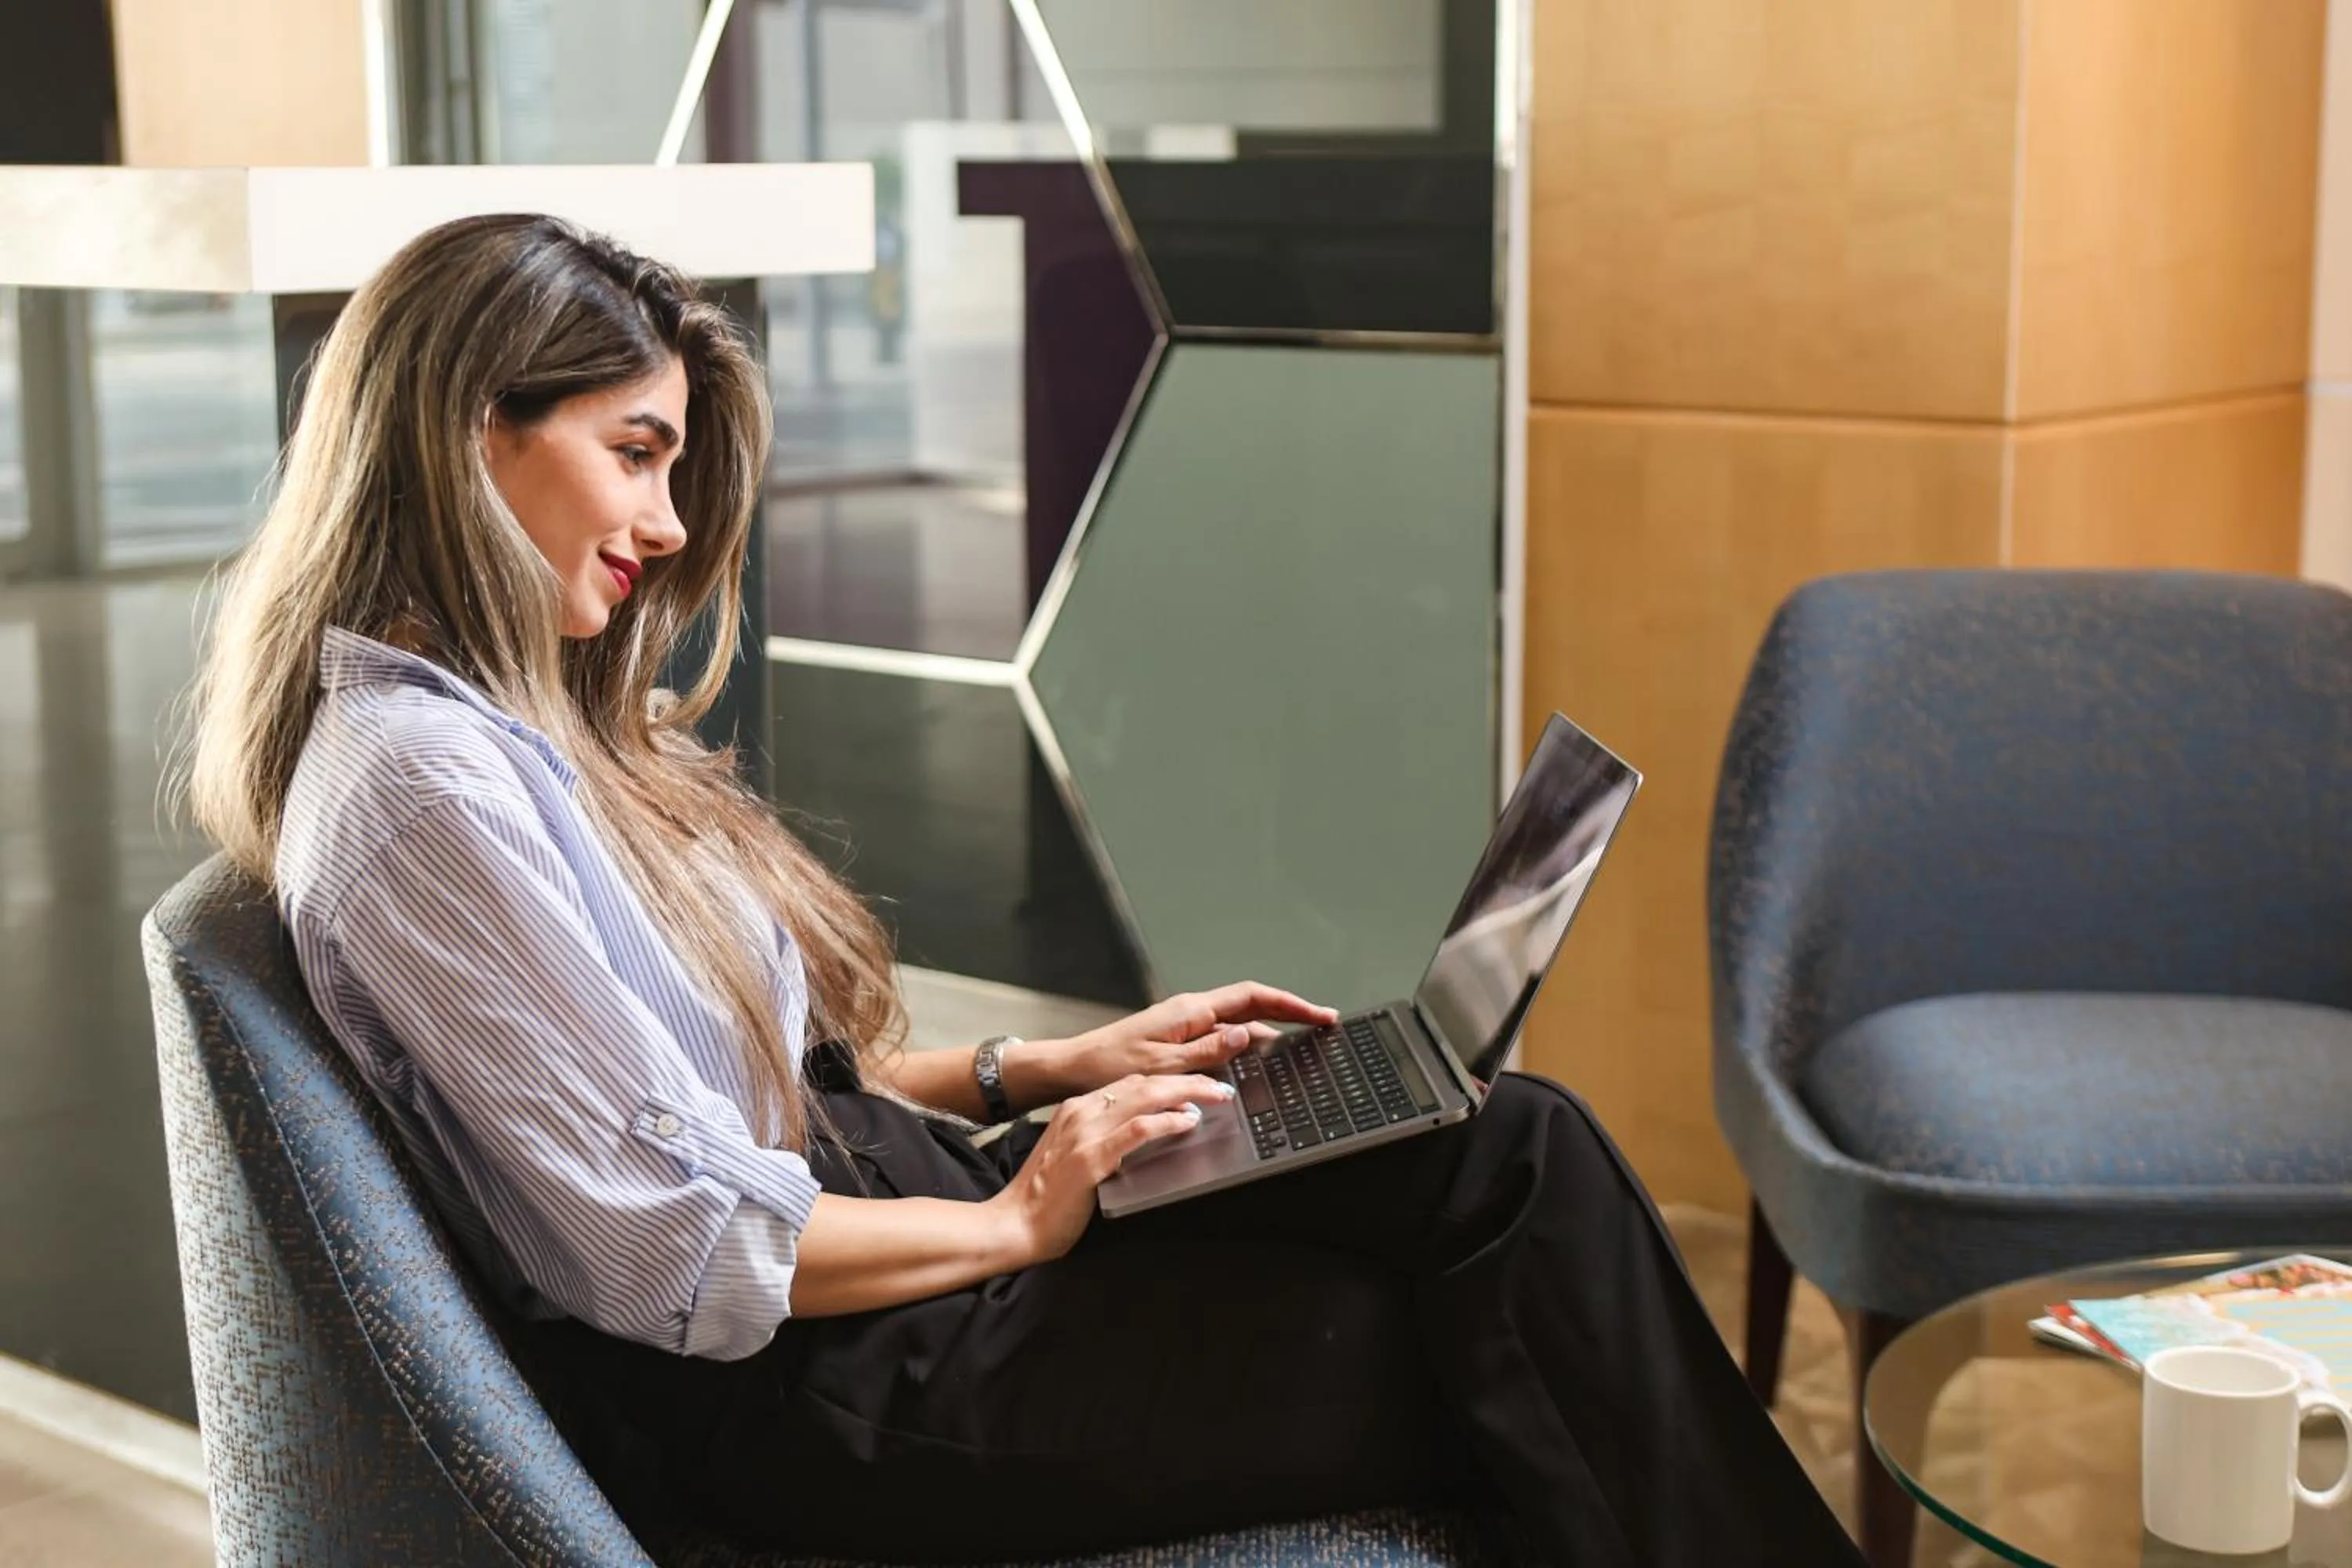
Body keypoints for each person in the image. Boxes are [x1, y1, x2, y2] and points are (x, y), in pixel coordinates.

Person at [184, 213, 1862, 1566]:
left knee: (1494, 1145)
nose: (669, 524)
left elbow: (727, 1095)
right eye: (637, 453)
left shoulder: (502, 728)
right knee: (1486, 1311)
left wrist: (1048, 1075)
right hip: (826, 1383)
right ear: (470, 422)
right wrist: (1014, 1214)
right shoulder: (417, 789)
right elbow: (675, 1246)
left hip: (892, 1241)